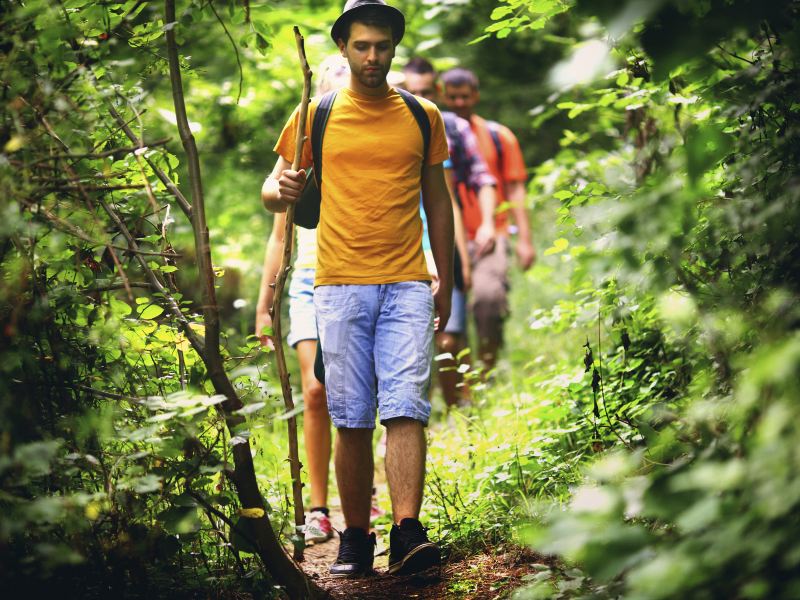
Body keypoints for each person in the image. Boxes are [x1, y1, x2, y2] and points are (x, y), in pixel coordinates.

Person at [261, 0, 453, 579]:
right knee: (350, 416)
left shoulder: (422, 115)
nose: (373, 57)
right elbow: (272, 191)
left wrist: (443, 277)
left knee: (406, 407)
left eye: (383, 46)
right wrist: (283, 187)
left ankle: (408, 531)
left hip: (407, 282)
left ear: (395, 48)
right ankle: (354, 537)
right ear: (344, 49)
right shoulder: (314, 115)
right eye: (362, 46)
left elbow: (437, 201)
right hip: (339, 284)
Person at [255, 55, 352, 547]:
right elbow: (277, 230)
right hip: (309, 281)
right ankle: (318, 507)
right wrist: (263, 305)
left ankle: (362, 494)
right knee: (316, 392)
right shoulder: (300, 155)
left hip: (357, 276)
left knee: (354, 397)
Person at [403, 56, 498, 408]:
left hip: (439, 242)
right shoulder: (388, 126)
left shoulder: (447, 127)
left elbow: (451, 199)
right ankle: (413, 411)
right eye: (415, 92)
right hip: (400, 249)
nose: (421, 98)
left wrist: (460, 263)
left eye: (428, 91)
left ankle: (458, 407)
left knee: (448, 337)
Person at [441, 67, 536, 373]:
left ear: (476, 97)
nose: (459, 103)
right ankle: (460, 383)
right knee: (450, 317)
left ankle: (486, 370)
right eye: (452, 97)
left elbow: (516, 187)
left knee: (488, 301)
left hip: (491, 232)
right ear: (443, 95)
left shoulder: (498, 137)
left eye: (464, 97)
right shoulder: (437, 131)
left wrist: (524, 239)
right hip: (449, 236)